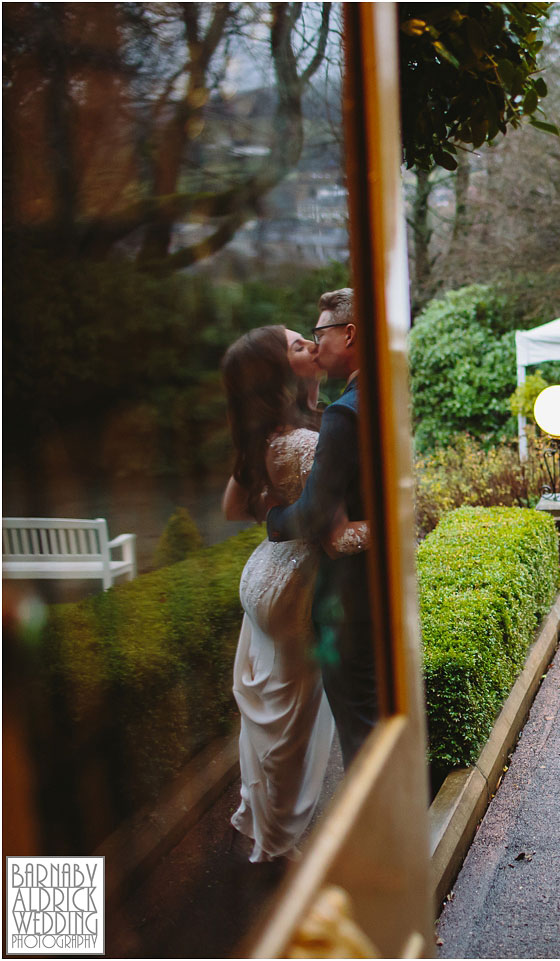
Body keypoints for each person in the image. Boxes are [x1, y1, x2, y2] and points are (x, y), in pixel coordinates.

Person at [220, 325, 338, 862]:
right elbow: (333, 528)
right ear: (277, 374)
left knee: (268, 712)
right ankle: (278, 842)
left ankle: (258, 816)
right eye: (297, 345)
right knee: (294, 722)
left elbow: (232, 509)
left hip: (263, 575)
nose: (312, 345)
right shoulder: (306, 440)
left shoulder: (268, 435)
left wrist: (275, 509)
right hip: (294, 587)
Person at [265, 288, 377, 768]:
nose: (316, 344)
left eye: (319, 333)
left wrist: (273, 521)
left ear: (349, 333)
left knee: (361, 731)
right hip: (383, 587)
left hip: (350, 601)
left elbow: (313, 512)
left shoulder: (344, 412)